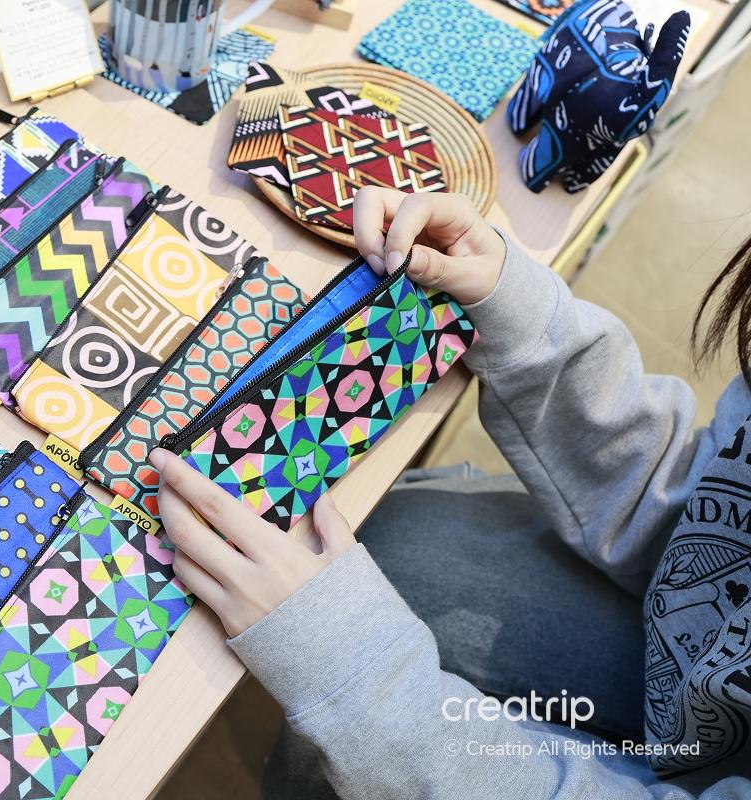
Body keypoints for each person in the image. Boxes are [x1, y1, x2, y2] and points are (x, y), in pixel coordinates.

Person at [148, 187, 751, 799]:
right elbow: (713, 506)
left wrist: (348, 673)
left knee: (334, 741)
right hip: (686, 660)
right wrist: (520, 315)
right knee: (395, 537)